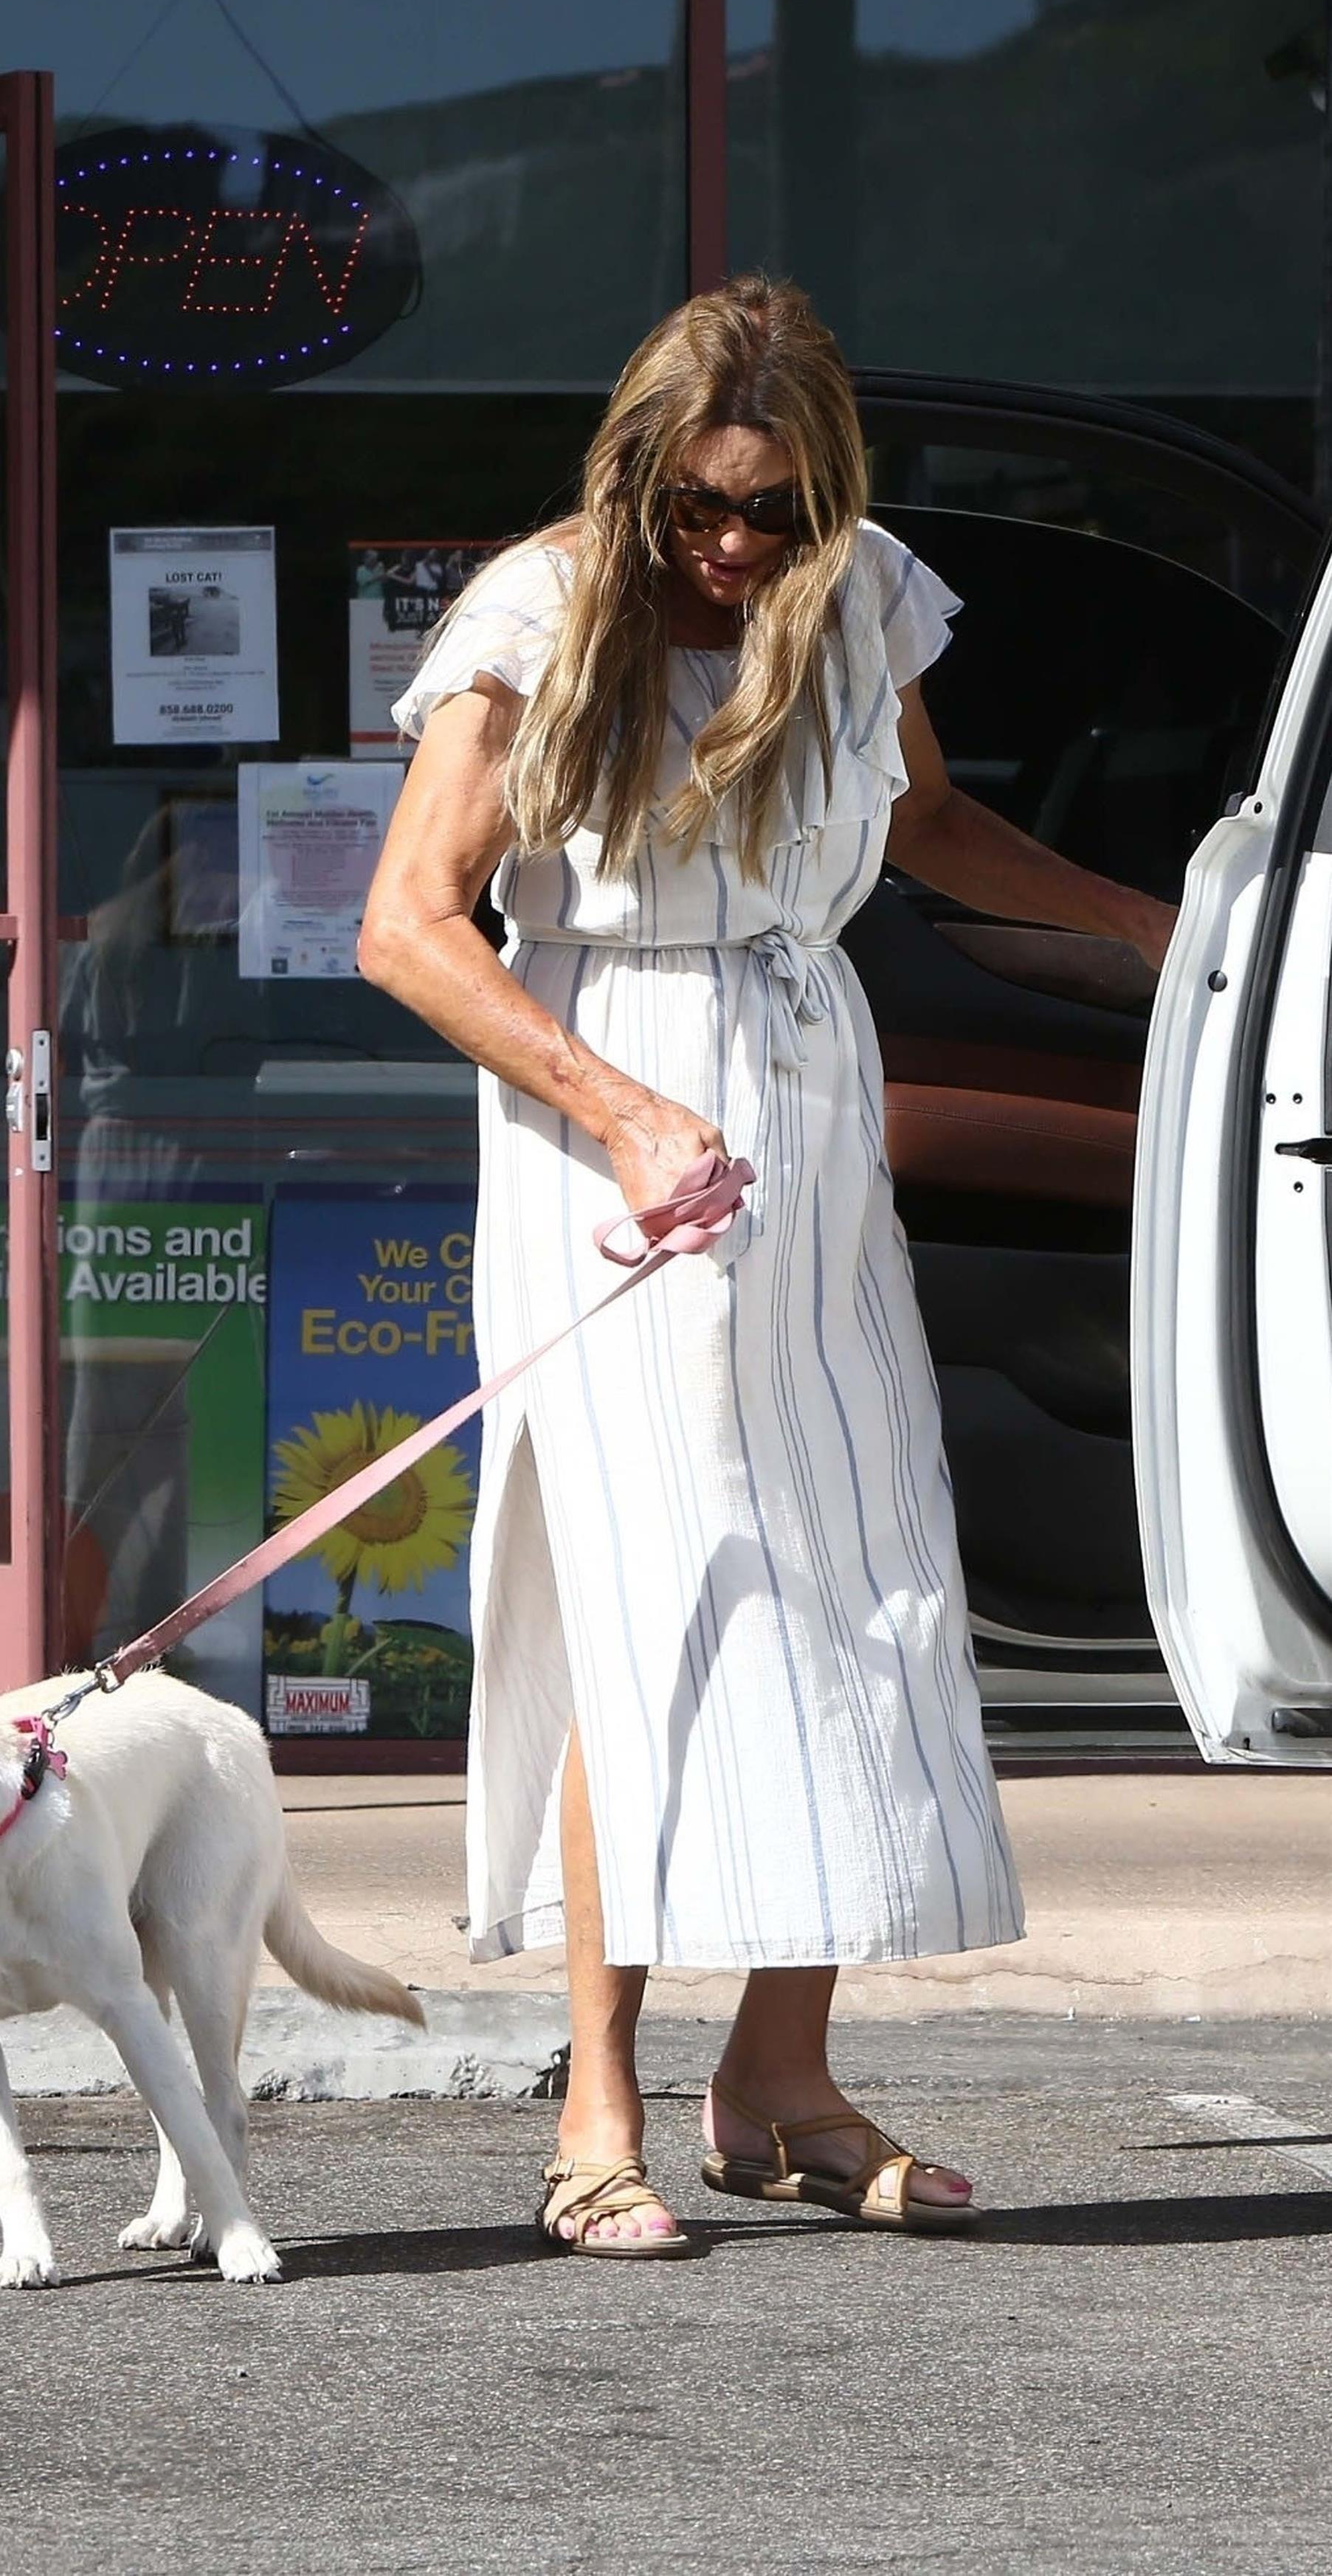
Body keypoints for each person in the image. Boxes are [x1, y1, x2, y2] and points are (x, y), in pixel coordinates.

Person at [358, 273, 1176, 2257]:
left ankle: (780, 2081)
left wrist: (1171, 932)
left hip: (807, 1112)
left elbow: (937, 824)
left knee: (858, 1571)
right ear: (638, 479)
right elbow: (407, 923)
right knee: (657, 1599)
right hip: (607, 1125)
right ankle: (595, 2102)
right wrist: (624, 1108)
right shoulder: (542, 613)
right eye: (703, 507)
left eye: (777, 512)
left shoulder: (861, 589)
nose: (735, 547)